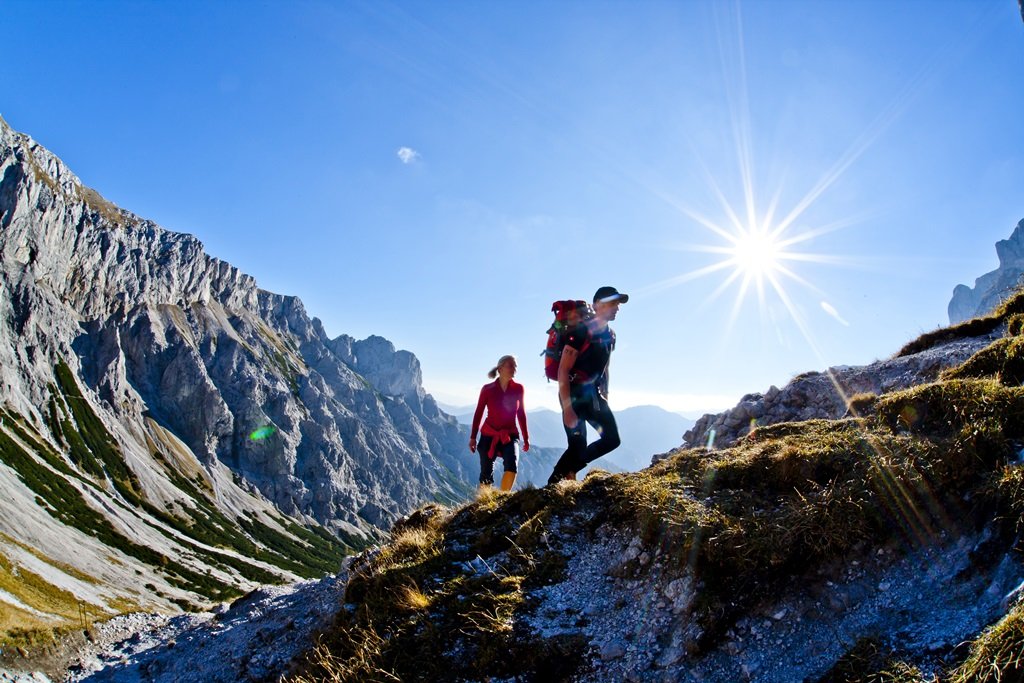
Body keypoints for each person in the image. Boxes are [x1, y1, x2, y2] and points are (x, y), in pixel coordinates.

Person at [547, 286, 627, 485]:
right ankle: (551, 487)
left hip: (593, 394)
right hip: (573, 395)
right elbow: (563, 371)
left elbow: (605, 364)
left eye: (618, 304)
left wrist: (605, 391)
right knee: (576, 447)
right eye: (613, 303)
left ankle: (571, 470)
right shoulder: (580, 332)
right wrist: (567, 409)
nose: (617, 308)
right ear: (598, 305)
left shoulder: (611, 334)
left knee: (612, 440)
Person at [469, 355, 530, 491]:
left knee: (512, 465)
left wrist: (526, 438)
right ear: (500, 368)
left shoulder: (518, 388)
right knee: (486, 472)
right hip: (489, 433)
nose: (514, 369)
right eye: (510, 365)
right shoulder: (487, 389)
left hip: (510, 434)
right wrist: (473, 437)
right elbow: (478, 413)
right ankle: (485, 500)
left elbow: (521, 413)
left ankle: (503, 499)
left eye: (515, 366)